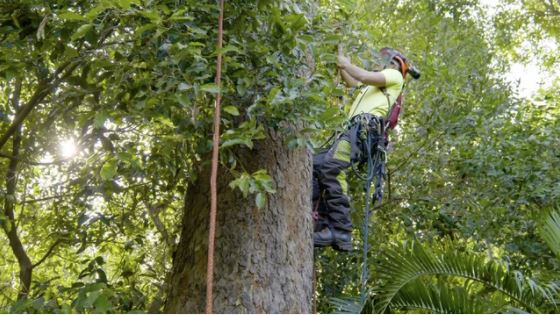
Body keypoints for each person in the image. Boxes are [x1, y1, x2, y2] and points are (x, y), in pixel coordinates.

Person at [312, 47, 418, 251]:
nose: (388, 65)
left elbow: (361, 74)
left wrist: (345, 63)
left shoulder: (394, 77)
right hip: (353, 131)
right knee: (316, 164)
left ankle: (342, 230)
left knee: (332, 168)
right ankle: (322, 222)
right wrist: (341, 62)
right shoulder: (371, 88)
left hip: (362, 130)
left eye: (392, 63)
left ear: (398, 68)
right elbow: (353, 82)